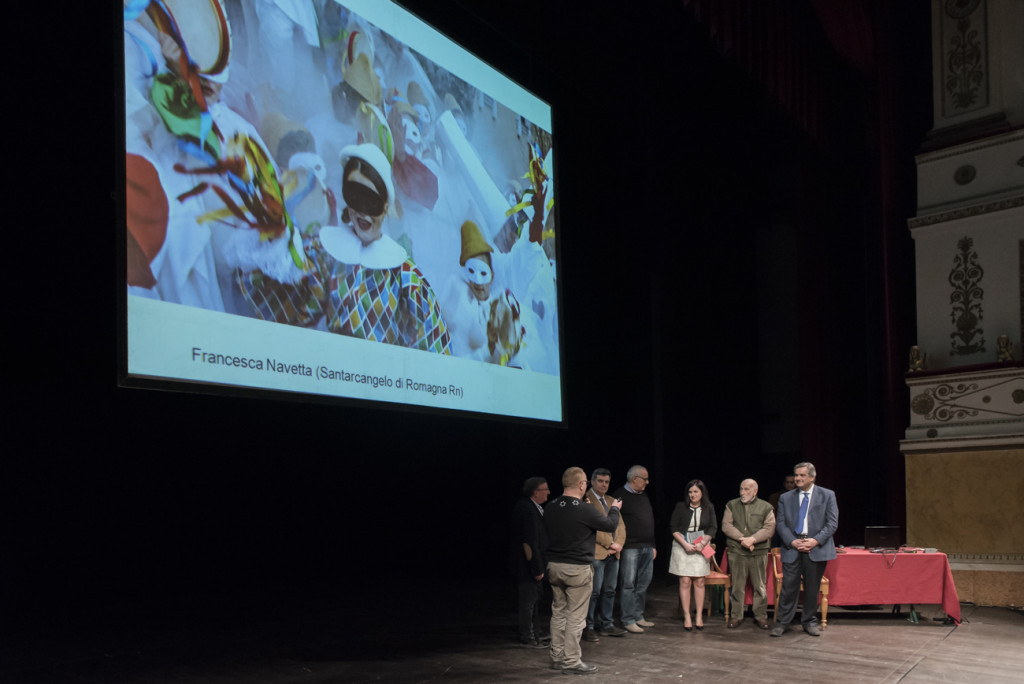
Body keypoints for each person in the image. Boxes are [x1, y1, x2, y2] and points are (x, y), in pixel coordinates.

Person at [237, 143, 453, 353]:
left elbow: (433, 346)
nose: (362, 212)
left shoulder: (405, 277)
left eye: (371, 202)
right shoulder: (323, 252)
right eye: (355, 197)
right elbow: (293, 307)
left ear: (385, 205)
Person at [545, 467, 622, 675]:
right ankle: (571, 661)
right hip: (577, 568)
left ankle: (557, 657)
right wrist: (615, 508)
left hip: (554, 566)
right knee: (576, 617)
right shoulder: (584, 509)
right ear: (581, 485)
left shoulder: (550, 506)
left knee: (558, 613)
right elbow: (609, 524)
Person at [772, 462, 839, 637]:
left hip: (815, 548)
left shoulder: (827, 495)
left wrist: (815, 541)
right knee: (789, 587)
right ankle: (783, 622)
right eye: (796, 475)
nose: (798, 479)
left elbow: (832, 523)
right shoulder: (786, 497)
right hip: (793, 547)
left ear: (812, 476)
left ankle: (809, 621)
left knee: (812, 587)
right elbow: (780, 524)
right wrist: (793, 542)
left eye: (802, 475)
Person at [721, 478, 776, 629]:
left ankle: (760, 616)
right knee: (737, 586)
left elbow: (769, 528)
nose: (742, 492)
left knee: (760, 586)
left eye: (746, 489)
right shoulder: (731, 505)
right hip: (737, 551)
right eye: (741, 489)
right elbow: (726, 526)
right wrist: (742, 539)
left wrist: (752, 539)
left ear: (755, 491)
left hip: (758, 552)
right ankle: (736, 616)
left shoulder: (766, 507)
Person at [583, 468, 626, 642]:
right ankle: (589, 626)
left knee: (609, 590)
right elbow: (592, 526)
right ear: (592, 482)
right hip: (598, 552)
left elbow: (621, 525)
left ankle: (607, 624)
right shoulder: (586, 500)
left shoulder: (611, 501)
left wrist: (619, 545)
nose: (604, 484)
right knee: (594, 592)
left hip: (613, 553)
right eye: (600, 481)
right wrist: (609, 544)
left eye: (607, 482)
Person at [668, 479, 717, 631]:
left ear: (702, 493)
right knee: (685, 581)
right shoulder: (680, 506)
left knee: (700, 581)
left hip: (701, 544)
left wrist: (702, 543)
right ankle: (687, 615)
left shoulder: (709, 507)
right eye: (690, 492)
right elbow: (674, 527)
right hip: (683, 544)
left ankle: (699, 616)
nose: (693, 495)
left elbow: (713, 528)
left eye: (696, 491)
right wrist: (685, 544)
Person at [614, 465, 656, 633]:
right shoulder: (619, 495)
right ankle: (628, 619)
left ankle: (638, 616)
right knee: (628, 584)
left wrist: (653, 544)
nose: (647, 482)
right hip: (630, 547)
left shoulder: (644, 495)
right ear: (634, 479)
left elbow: (649, 520)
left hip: (647, 546)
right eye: (644, 479)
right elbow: (614, 522)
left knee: (643, 583)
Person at [510, 477, 551, 648]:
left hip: (533, 565)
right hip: (527, 566)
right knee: (529, 601)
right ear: (536, 492)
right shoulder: (526, 510)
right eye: (545, 489)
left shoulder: (533, 507)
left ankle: (535, 632)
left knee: (534, 599)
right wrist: (536, 569)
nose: (548, 492)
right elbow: (529, 543)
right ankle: (528, 636)